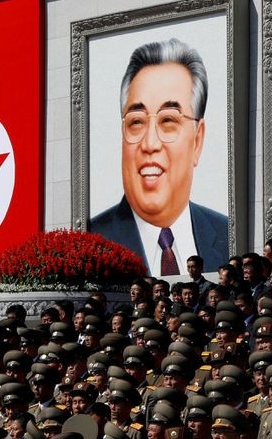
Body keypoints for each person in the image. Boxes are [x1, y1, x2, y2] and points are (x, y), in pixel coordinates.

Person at [90, 38, 228, 275]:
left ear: (197, 140)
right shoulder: (92, 242)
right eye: (136, 122)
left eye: (168, 121)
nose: (150, 143)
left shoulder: (226, 235)